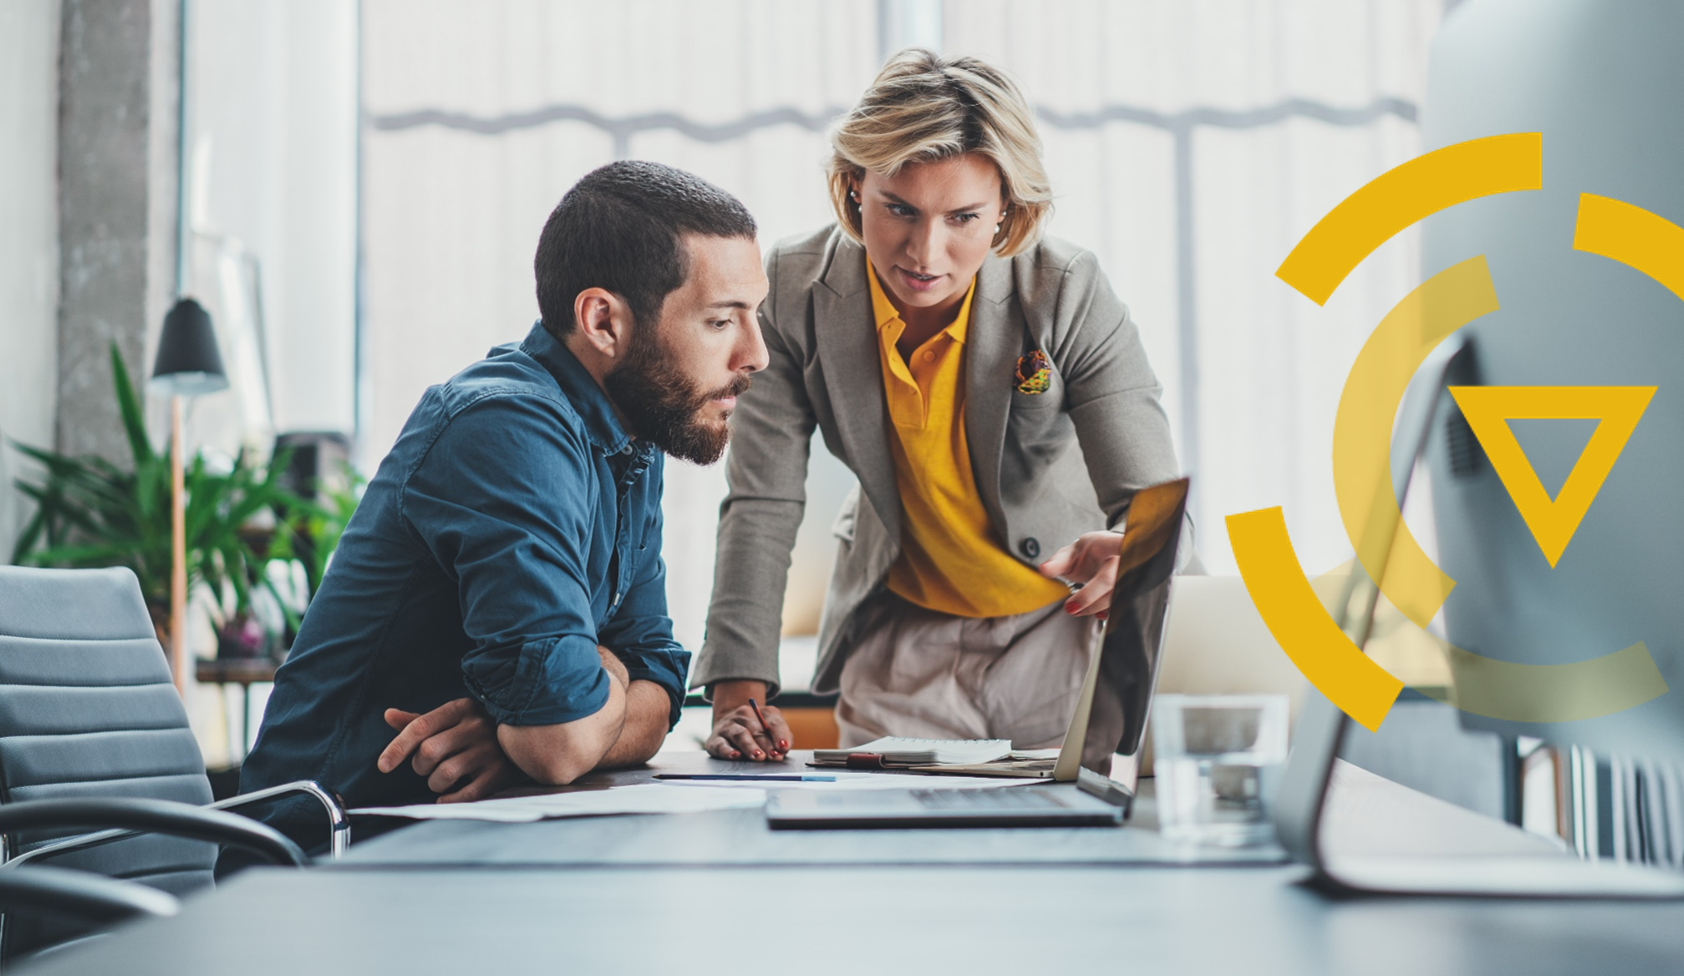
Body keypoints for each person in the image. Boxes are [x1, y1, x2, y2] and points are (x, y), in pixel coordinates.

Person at [237, 161, 769, 851]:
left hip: (460, 850)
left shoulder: (632, 442)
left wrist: (522, 728)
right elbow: (560, 742)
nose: (755, 353)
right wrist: (574, 704)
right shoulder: (506, 430)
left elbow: (659, 681)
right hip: (324, 871)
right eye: (721, 320)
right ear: (603, 321)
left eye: (753, 315)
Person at [693, 50, 1182, 761]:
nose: (926, 251)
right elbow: (762, 499)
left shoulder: (1065, 288)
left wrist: (1137, 554)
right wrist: (737, 692)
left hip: (1060, 639)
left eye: (963, 217)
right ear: (854, 186)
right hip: (902, 647)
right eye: (899, 209)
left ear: (1006, 211)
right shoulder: (793, 290)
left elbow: (1153, 501)